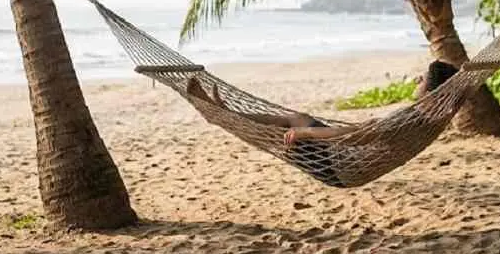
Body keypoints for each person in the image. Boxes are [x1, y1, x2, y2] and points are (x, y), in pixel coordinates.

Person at [185, 60, 460, 185]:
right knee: (298, 118)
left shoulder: (410, 118)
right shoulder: (432, 118)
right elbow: (365, 133)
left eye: (423, 78)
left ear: (433, 90)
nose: (417, 80)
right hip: (345, 163)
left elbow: (357, 137)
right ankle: (222, 112)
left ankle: (218, 115)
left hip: (338, 166)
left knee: (288, 128)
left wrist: (308, 134)